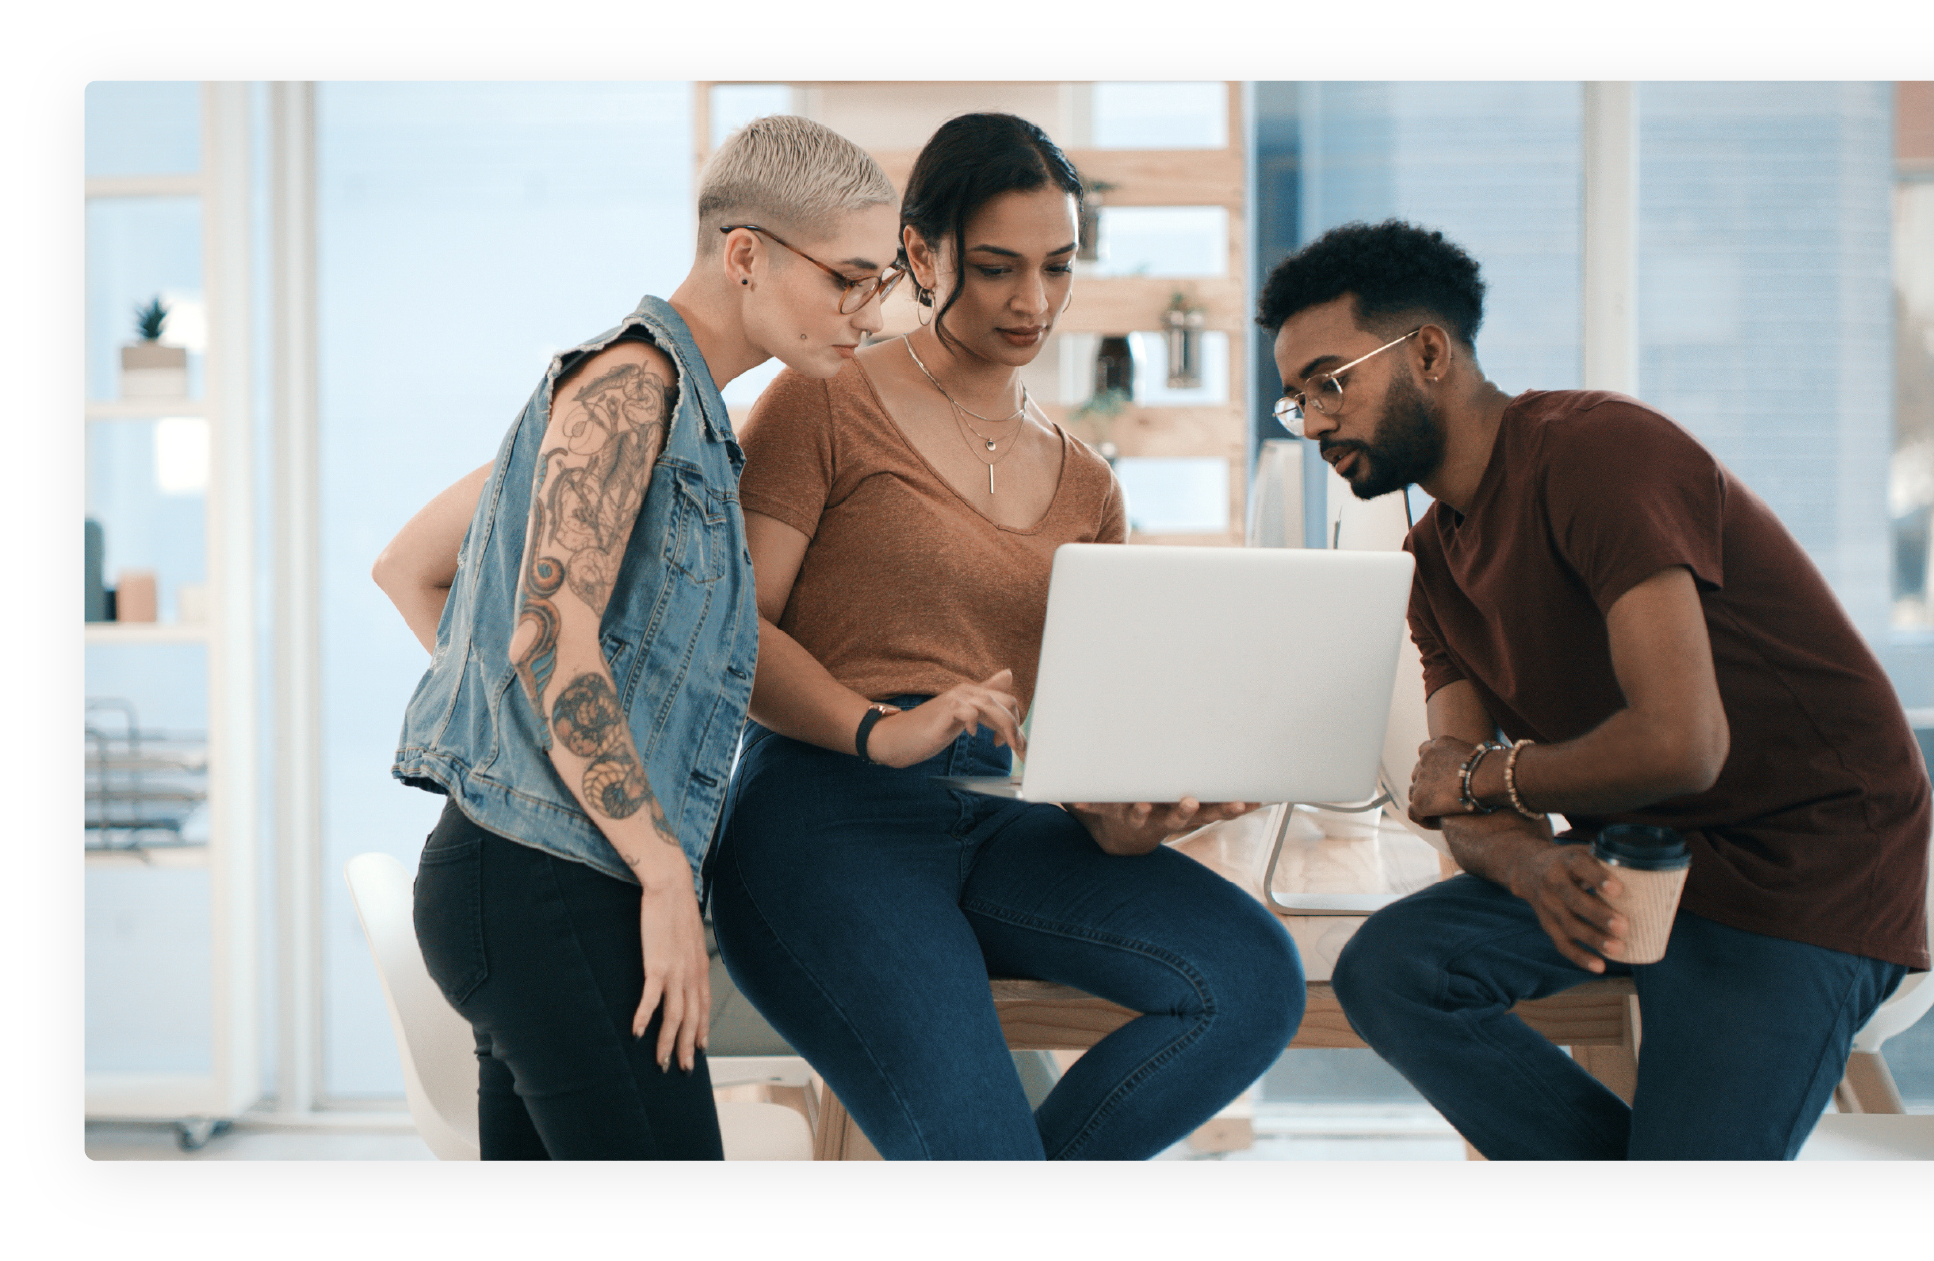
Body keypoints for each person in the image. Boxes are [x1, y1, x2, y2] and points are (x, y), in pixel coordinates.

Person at [1257, 219, 1930, 1161]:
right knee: (1393, 970)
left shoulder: (1596, 454)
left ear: (1428, 351)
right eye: (1295, 402)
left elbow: (1679, 742)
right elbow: (1456, 788)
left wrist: (1484, 781)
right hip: (1638, 854)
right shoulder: (1431, 561)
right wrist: (1528, 863)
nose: (1314, 422)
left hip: (1800, 857)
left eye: (1328, 382)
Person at [709, 112, 1306, 1161]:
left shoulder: (1090, 484)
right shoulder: (822, 400)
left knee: (1248, 977)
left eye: (1057, 267)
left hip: (1001, 814)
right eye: (994, 268)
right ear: (923, 254)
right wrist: (873, 730)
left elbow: (1074, 720)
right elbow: (733, 635)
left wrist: (1128, 813)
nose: (1031, 302)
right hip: (824, 814)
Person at [373, 116, 905, 1159]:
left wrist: (518, 742)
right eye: (849, 278)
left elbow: (419, 570)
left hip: (532, 875)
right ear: (746, 254)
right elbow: (544, 641)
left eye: (881, 282)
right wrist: (661, 870)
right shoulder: (626, 389)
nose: (869, 313)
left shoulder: (673, 417)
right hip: (550, 885)